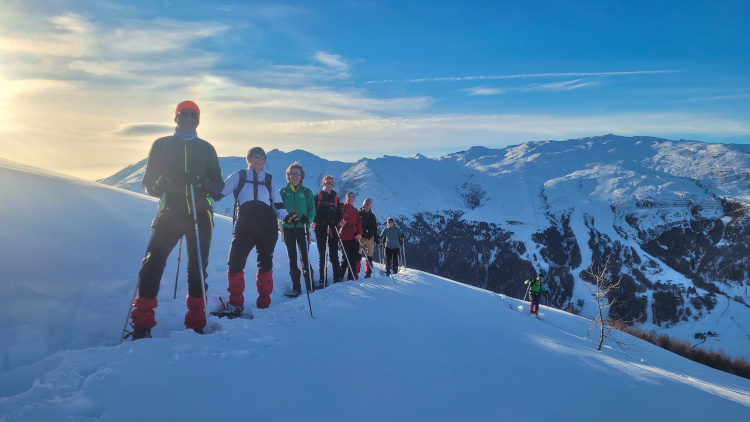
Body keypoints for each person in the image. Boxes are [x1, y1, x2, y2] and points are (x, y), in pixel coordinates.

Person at [129, 100, 224, 340]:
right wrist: (161, 184)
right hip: (169, 212)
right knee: (152, 265)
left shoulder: (206, 149)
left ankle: (197, 322)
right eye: (184, 114)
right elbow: (148, 183)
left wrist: (201, 183)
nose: (188, 118)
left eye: (193, 115)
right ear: (176, 117)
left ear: (198, 120)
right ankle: (142, 324)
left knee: (196, 269)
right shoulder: (161, 145)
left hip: (200, 214)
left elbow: (219, 186)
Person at [215, 147, 297, 318]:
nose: (259, 161)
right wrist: (205, 188)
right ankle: (235, 304)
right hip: (244, 228)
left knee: (265, 264)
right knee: (235, 263)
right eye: (255, 157)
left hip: (267, 228)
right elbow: (220, 192)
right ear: (249, 159)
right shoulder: (239, 176)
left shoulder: (269, 179)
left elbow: (277, 204)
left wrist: (287, 218)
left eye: (262, 159)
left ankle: (264, 305)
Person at [280, 162, 316, 296]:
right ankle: (296, 288)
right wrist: (284, 219)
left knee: (304, 257)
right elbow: (277, 210)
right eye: (292, 173)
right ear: (288, 176)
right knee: (292, 258)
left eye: (298, 174)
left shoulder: (307, 193)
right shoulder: (282, 192)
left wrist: (309, 219)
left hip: (303, 228)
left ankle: (310, 285)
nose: (295, 176)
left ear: (301, 177)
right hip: (288, 228)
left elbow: (312, 210)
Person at [313, 175, 343, 287]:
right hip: (320, 228)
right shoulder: (318, 197)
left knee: (334, 254)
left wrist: (335, 221)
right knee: (322, 254)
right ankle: (322, 280)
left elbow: (340, 213)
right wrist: (322, 220)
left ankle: (337, 278)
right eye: (327, 182)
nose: (329, 185)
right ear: (323, 183)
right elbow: (312, 214)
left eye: (331, 183)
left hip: (332, 228)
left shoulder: (335, 197)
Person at [339, 192, 363, 281]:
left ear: (354, 199)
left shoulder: (355, 211)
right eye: (349, 196)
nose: (351, 198)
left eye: (352, 197)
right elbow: (336, 220)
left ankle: (351, 278)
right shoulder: (341, 208)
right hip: (344, 237)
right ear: (346, 197)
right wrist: (339, 223)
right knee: (345, 259)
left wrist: (360, 234)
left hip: (354, 238)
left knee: (353, 260)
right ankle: (339, 277)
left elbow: (359, 224)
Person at [358, 197, 379, 279]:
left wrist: (376, 237)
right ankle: (355, 273)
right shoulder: (359, 214)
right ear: (363, 205)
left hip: (370, 237)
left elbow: (374, 227)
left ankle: (368, 273)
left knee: (369, 256)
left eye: (369, 205)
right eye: (366, 205)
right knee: (358, 255)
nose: (367, 206)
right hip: (361, 237)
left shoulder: (372, 216)